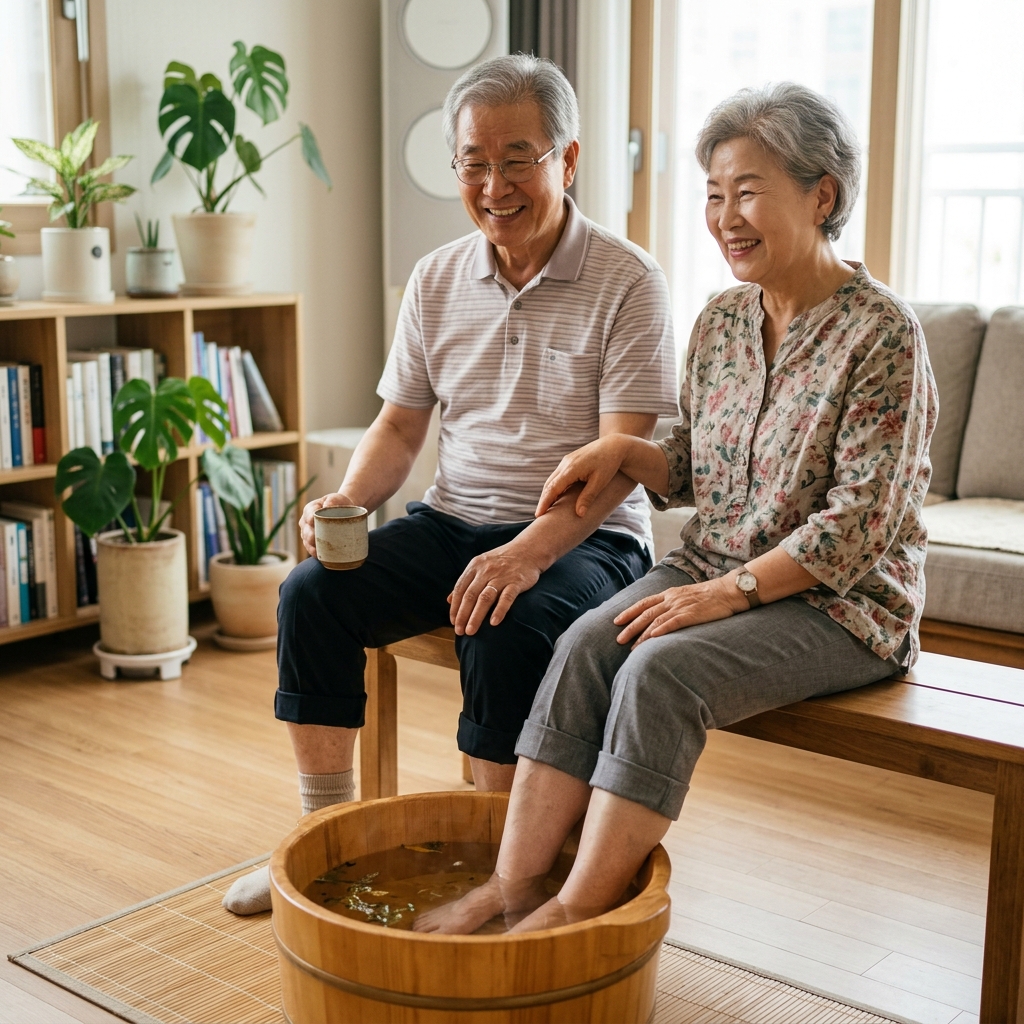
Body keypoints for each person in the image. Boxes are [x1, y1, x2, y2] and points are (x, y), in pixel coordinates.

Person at [414, 81, 938, 936]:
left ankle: (580, 908)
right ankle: (512, 888)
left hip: (840, 605)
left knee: (661, 672)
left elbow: (859, 526)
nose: (725, 215)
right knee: (585, 644)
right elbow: (696, 461)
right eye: (713, 194)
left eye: (747, 192)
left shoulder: (882, 332)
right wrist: (626, 452)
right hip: (715, 567)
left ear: (823, 195)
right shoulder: (724, 320)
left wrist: (723, 596)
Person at [222, 54, 678, 915]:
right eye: (475, 160)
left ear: (567, 159)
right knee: (311, 593)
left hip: (589, 538)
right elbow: (400, 425)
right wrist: (350, 501)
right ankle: (328, 841)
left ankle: (497, 868)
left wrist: (523, 556)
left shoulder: (629, 280)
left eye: (520, 158)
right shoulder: (436, 278)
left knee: (504, 623)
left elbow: (622, 458)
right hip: (453, 517)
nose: (494, 182)